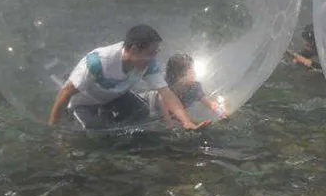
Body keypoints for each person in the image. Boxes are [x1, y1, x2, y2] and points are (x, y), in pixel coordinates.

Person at [48, 24, 211, 131]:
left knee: (142, 112)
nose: (154, 57)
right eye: (151, 53)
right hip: (84, 102)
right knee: (94, 129)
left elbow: (167, 94)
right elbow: (66, 92)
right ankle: (93, 120)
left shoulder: (148, 63)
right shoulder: (97, 62)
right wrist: (52, 126)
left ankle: (113, 123)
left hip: (116, 96)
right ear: (133, 49)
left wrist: (187, 122)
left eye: (156, 52)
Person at [145, 53, 228, 128]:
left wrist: (219, 112)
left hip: (172, 112)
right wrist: (170, 123)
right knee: (175, 120)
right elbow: (162, 102)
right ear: (179, 75)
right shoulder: (167, 88)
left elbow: (207, 102)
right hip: (149, 105)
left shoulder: (194, 87)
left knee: (185, 121)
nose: (195, 73)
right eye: (191, 70)